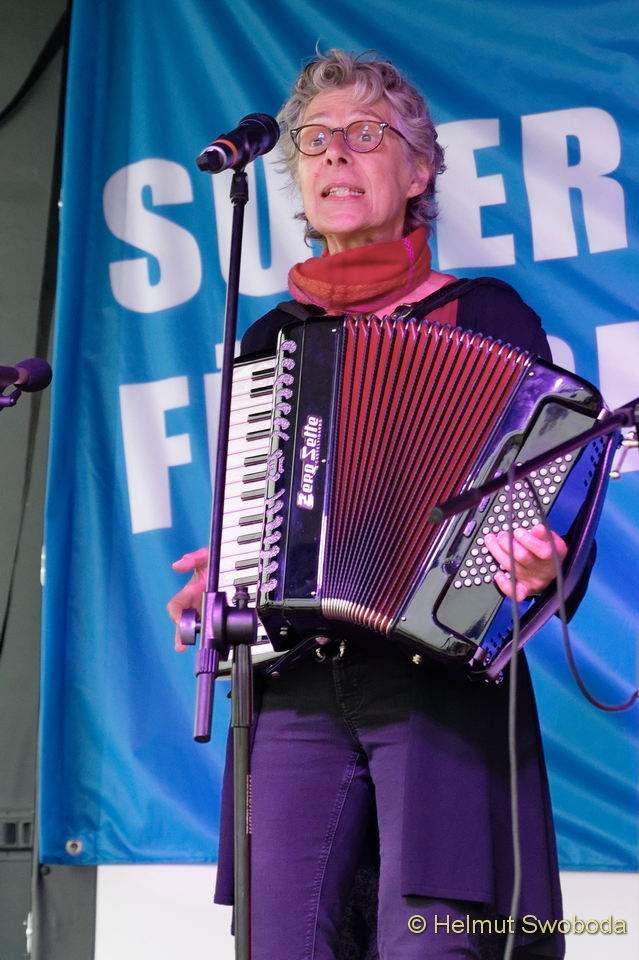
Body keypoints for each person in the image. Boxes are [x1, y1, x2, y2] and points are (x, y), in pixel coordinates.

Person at [168, 50, 582, 960]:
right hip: (294, 683)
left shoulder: (485, 315)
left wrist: (544, 557)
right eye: (314, 142)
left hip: (436, 687)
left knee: (432, 942)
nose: (334, 156)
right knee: (280, 942)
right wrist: (224, 571)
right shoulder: (271, 337)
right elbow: (258, 519)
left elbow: (551, 496)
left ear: (419, 170)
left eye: (365, 135)